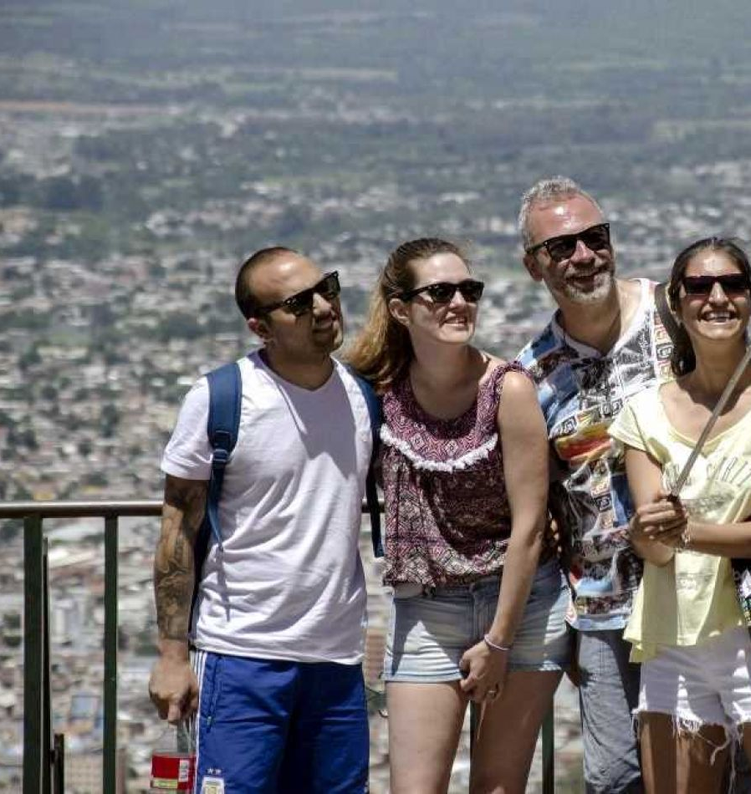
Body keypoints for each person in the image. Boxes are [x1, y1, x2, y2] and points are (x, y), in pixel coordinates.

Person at [607, 237, 751, 793]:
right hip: (674, 637)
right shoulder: (644, 412)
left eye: (733, 285)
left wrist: (681, 531)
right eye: (699, 286)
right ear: (676, 302)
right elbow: (657, 547)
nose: (717, 297)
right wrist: (647, 534)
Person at [347, 237, 567, 794]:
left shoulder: (508, 389)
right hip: (425, 608)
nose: (459, 303)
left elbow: (529, 527)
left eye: (469, 290)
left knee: (497, 784)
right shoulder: (377, 393)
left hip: (520, 605)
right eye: (440, 292)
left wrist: (498, 641)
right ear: (401, 310)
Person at [148, 247, 372, 792]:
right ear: (259, 326)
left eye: (329, 288)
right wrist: (173, 657)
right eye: (298, 303)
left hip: (337, 658)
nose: (324, 308)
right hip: (242, 654)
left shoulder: (363, 396)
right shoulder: (222, 398)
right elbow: (177, 525)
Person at [514, 176, 676, 794]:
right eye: (562, 247)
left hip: (700, 585)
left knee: (714, 761)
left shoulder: (677, 315)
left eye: (595, 238)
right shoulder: (531, 373)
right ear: (534, 266)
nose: (584, 256)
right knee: (614, 777)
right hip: (602, 603)